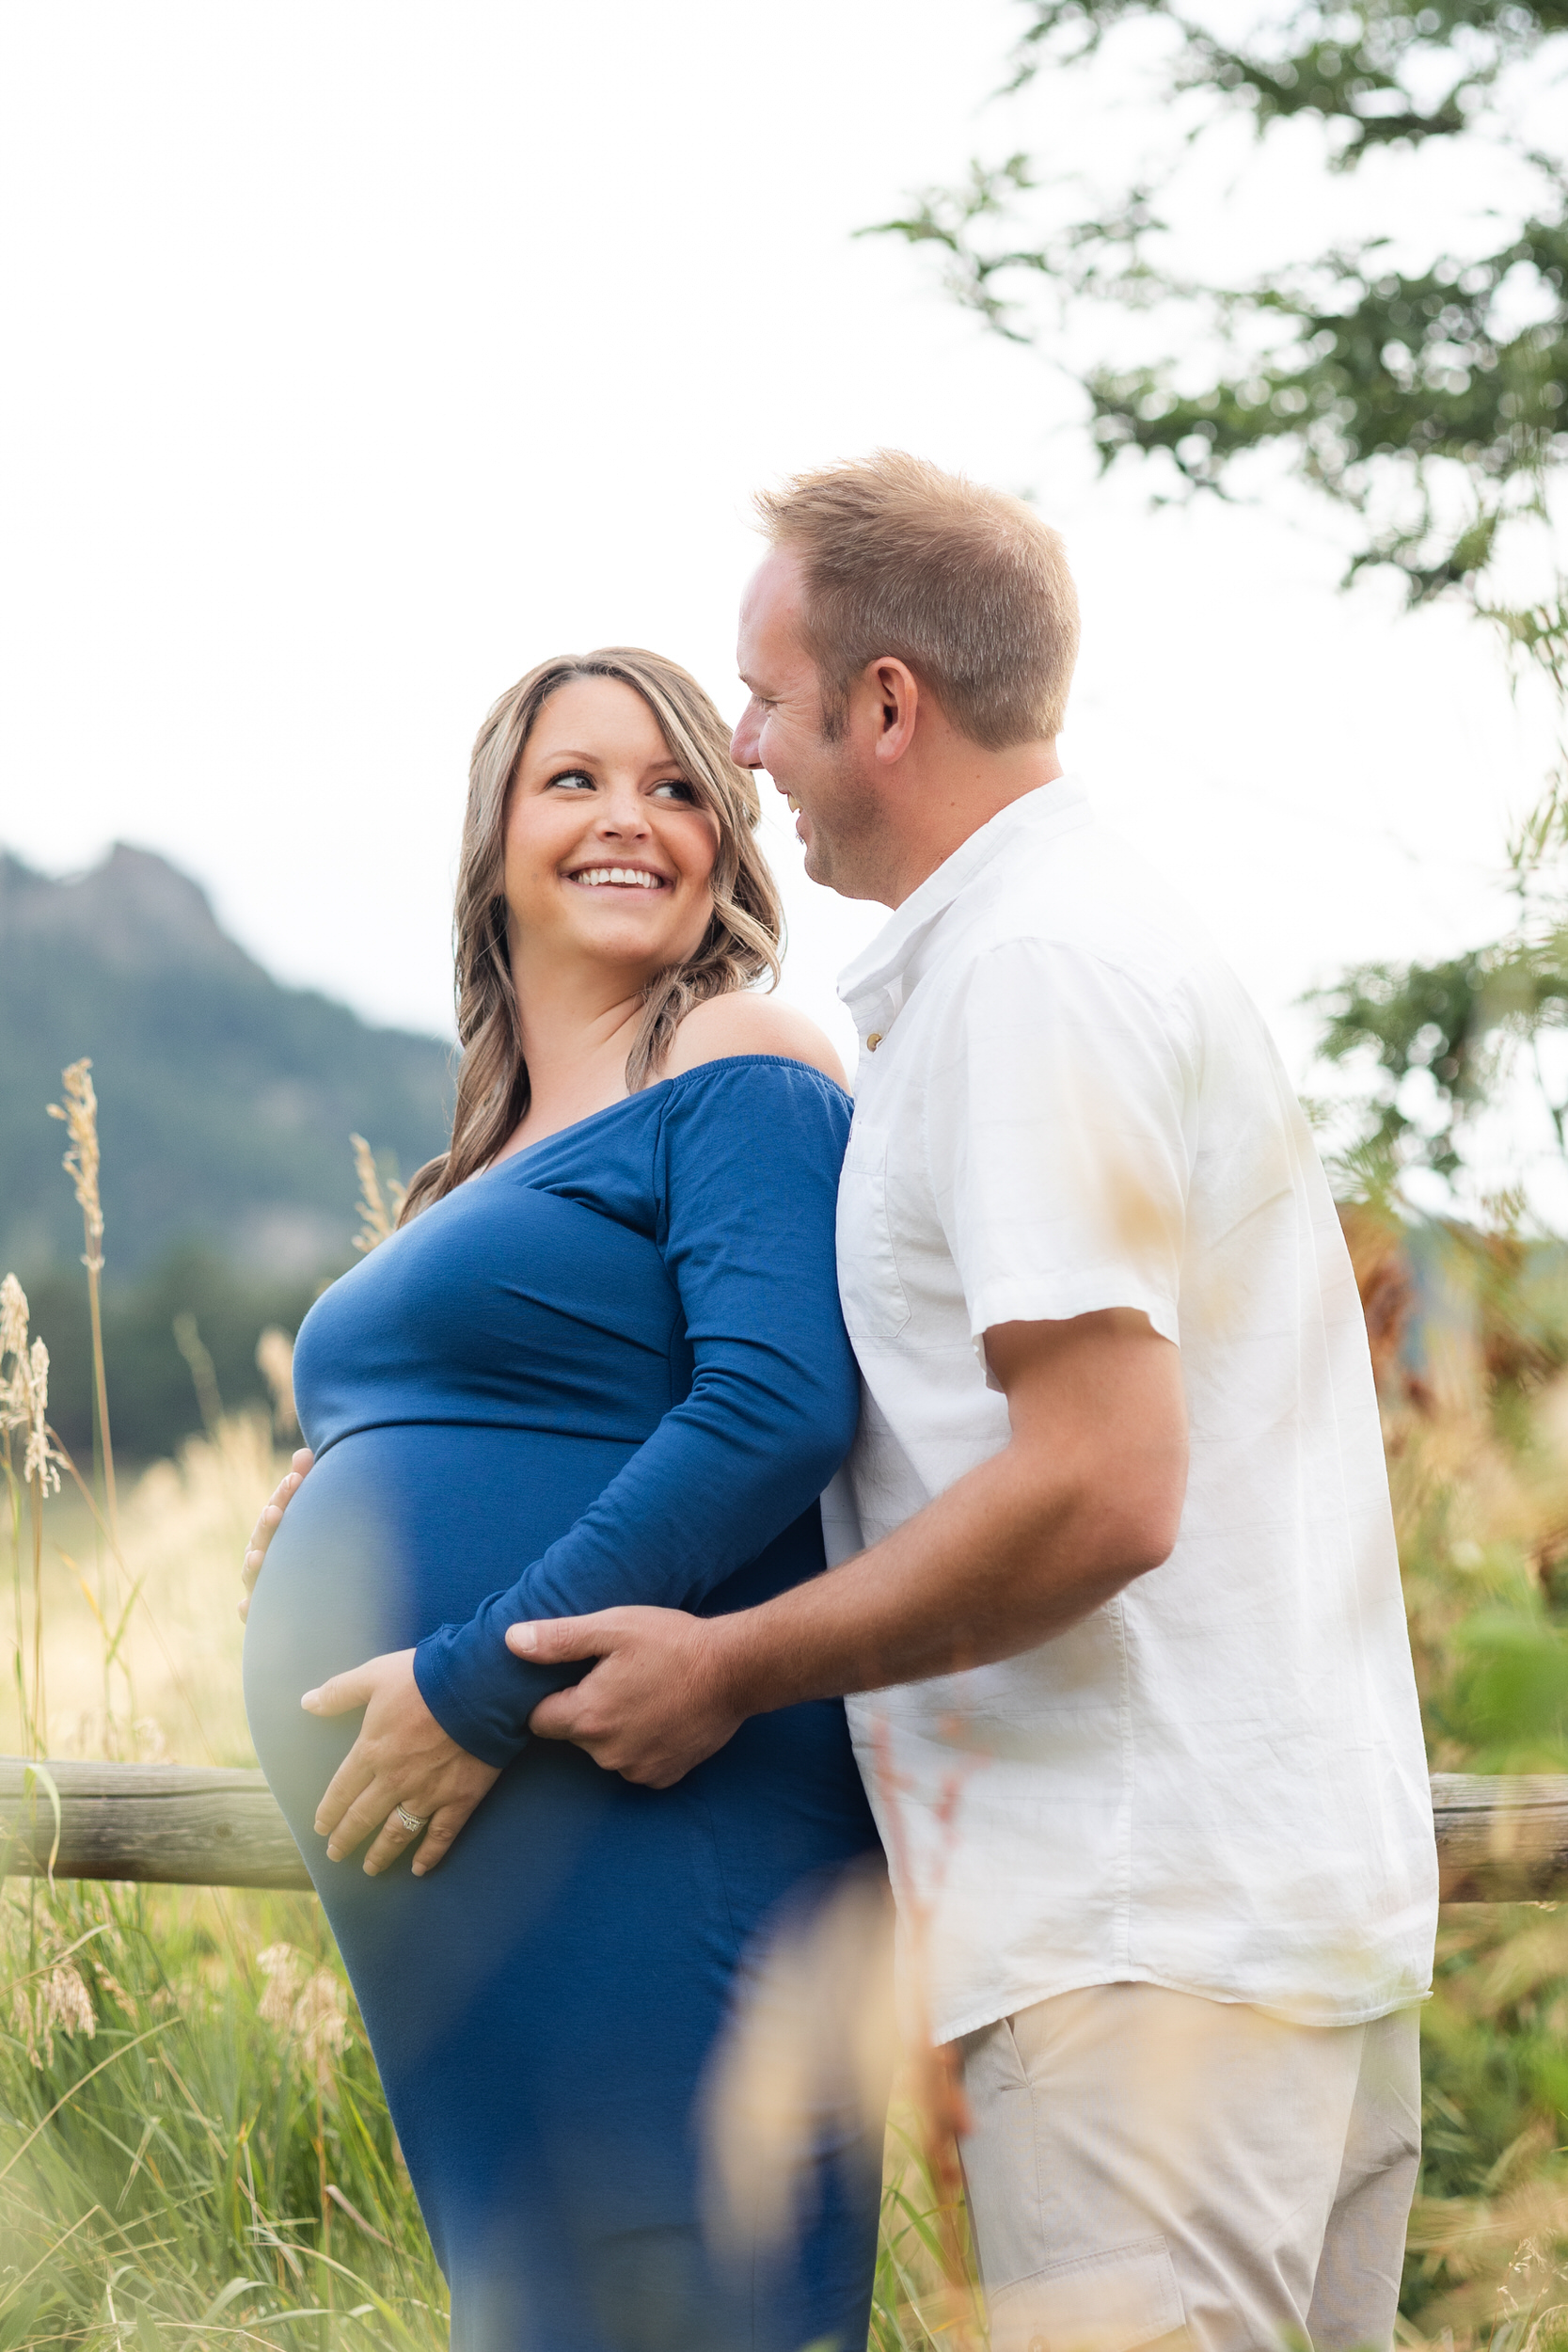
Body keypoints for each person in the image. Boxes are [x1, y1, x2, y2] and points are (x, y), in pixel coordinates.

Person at [491, 457, 1443, 2352]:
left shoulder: (1034, 975)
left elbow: (1100, 1486)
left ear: (890, 704)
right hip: (1243, 1933)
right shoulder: (1072, 941)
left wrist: (729, 1662)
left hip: (1144, 1957)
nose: (745, 746)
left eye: (763, 698)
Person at [240, 646, 887, 2352]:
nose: (635, 820)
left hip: (642, 1795)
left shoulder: (740, 1053)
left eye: (683, 787)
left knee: (694, 2286)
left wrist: (468, 1678)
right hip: (478, 1862)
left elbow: (774, 1404)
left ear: (729, 848)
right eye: (577, 780)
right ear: (498, 834)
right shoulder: (484, 1159)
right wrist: (334, 1515)